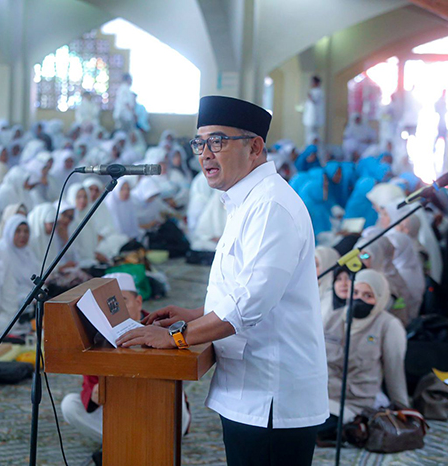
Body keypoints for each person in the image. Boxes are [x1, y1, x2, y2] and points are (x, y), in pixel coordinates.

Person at [117, 96, 328, 465]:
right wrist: (195, 315)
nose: (205, 154)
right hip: (251, 388)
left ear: (255, 147)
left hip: (271, 397)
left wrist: (176, 336)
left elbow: (250, 303)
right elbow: (243, 290)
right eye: (199, 143)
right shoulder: (246, 201)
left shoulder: (270, 206)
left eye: (217, 141)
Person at [61, 272, 191, 445]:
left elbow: (178, 368)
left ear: (138, 302)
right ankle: (128, 445)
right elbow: (90, 383)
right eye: (109, 305)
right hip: (119, 408)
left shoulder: (159, 326)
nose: (117, 310)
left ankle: (149, 444)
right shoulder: (97, 336)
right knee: (70, 405)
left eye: (122, 301)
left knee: (174, 393)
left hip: (157, 406)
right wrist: (94, 394)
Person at [317, 269, 409, 442]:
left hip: (355, 401)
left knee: (316, 427)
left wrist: (402, 409)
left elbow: (394, 371)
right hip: (322, 395)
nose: (359, 299)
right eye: (356, 293)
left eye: (368, 296)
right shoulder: (335, 318)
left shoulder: (388, 325)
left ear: (380, 298)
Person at [302, 76, 325, 146]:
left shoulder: (319, 92)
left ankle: (313, 148)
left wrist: (310, 97)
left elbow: (315, 101)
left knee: (313, 136)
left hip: (314, 118)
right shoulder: (312, 91)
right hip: (310, 118)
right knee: (308, 135)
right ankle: (309, 148)